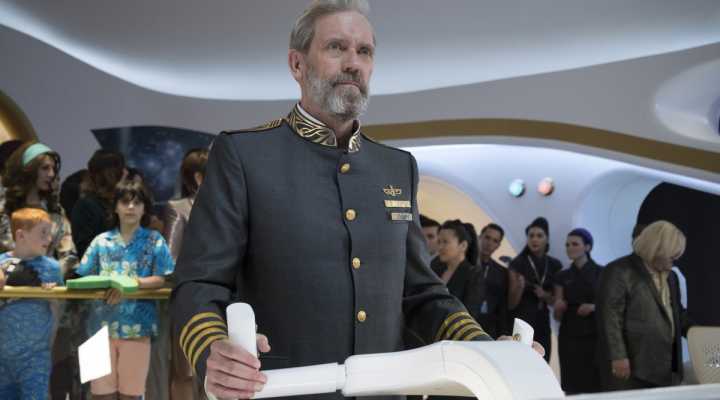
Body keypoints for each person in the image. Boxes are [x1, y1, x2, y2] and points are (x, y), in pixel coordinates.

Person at [168, 2, 513, 399]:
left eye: (364, 51)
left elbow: (421, 293)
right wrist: (212, 348)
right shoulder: (245, 156)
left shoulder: (396, 167)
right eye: (336, 47)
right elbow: (199, 282)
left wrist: (488, 350)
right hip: (281, 392)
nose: (353, 63)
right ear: (297, 64)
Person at [76, 180, 174, 400]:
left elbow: (162, 278)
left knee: (131, 395)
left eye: (137, 203)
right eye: (125, 202)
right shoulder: (100, 241)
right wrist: (105, 287)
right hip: (97, 328)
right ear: (115, 207)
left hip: (138, 328)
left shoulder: (155, 240)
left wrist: (131, 284)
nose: (131, 207)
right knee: (99, 396)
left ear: (145, 208)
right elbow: (83, 276)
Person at [596, 220, 691, 391]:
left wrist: (699, 332)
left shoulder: (671, 277)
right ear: (657, 249)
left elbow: (678, 314)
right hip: (632, 368)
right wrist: (618, 356)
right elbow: (609, 317)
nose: (676, 260)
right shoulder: (619, 271)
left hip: (666, 368)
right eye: (672, 255)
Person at [152, 148, 208, 400]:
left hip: (229, 298)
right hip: (190, 298)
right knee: (185, 372)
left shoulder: (229, 207)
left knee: (223, 371)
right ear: (198, 177)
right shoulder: (179, 207)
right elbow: (170, 260)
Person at [0, 208, 64, 400]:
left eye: (49, 233)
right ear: (21, 235)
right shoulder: (3, 263)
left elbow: (59, 310)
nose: (49, 239)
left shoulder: (52, 268)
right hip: (2, 356)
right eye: (43, 233)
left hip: (36, 356)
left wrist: (53, 296)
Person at [553, 228, 602, 394]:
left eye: (575, 244)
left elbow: (610, 306)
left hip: (594, 335)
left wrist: (593, 307)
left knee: (595, 382)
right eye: (567, 245)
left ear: (587, 247)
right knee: (571, 384)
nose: (570, 248)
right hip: (569, 336)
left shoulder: (601, 273)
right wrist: (558, 307)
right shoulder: (562, 276)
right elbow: (557, 316)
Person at [508, 217, 562, 362]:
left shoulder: (554, 264)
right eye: (531, 236)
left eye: (539, 236)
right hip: (522, 322)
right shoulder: (517, 263)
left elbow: (556, 302)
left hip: (543, 322)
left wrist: (545, 296)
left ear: (547, 239)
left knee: (542, 363)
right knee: (520, 363)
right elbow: (511, 304)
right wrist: (519, 288)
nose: (534, 239)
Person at [71, 149, 126, 258]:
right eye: (122, 169)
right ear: (110, 174)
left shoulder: (122, 204)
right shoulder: (86, 206)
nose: (126, 173)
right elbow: (86, 250)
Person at [473, 223, 509, 339]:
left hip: (487, 330)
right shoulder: (465, 263)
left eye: (495, 241)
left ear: (498, 245)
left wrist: (502, 334)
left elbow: (502, 308)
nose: (489, 243)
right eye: (487, 238)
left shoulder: (502, 272)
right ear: (480, 237)